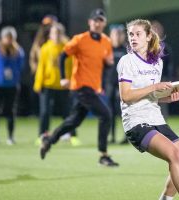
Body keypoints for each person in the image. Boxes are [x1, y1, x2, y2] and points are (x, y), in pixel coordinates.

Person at [118, 19, 179, 200]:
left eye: (138, 34)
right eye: (131, 34)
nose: (133, 38)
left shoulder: (157, 62)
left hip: (156, 119)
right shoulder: (126, 61)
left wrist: (168, 96)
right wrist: (154, 87)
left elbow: (152, 97)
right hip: (136, 123)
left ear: (148, 36)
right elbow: (126, 96)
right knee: (175, 156)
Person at [39, 8, 118, 167]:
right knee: (106, 115)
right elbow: (63, 56)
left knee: (74, 121)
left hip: (93, 87)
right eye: (95, 20)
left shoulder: (106, 42)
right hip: (80, 86)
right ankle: (103, 155)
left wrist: (107, 68)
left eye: (100, 20)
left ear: (104, 23)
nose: (97, 23)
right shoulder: (79, 39)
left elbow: (105, 64)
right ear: (89, 22)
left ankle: (49, 139)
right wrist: (63, 78)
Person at [33, 23, 81, 146]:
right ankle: (42, 135)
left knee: (68, 112)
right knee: (45, 112)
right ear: (50, 34)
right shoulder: (45, 48)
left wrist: (73, 82)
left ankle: (72, 135)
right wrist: (38, 84)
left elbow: (73, 66)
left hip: (63, 86)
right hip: (47, 85)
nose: (56, 35)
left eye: (58, 33)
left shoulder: (68, 47)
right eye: (54, 33)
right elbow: (41, 67)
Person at [0, 26, 25, 145]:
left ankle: (10, 136)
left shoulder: (18, 51)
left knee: (10, 111)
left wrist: (14, 75)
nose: (8, 40)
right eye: (6, 38)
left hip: (12, 85)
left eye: (10, 38)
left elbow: (21, 67)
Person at [103, 24, 127, 144]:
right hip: (109, 86)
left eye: (119, 34)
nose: (117, 37)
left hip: (122, 86)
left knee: (123, 112)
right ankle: (111, 137)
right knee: (109, 113)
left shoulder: (126, 51)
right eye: (114, 34)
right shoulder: (106, 50)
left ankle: (127, 137)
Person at [151, 20, 174, 119]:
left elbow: (169, 64)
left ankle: (163, 128)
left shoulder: (166, 48)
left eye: (158, 29)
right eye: (154, 29)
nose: (156, 32)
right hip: (148, 80)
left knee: (162, 105)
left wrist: (168, 78)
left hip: (162, 79)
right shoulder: (144, 46)